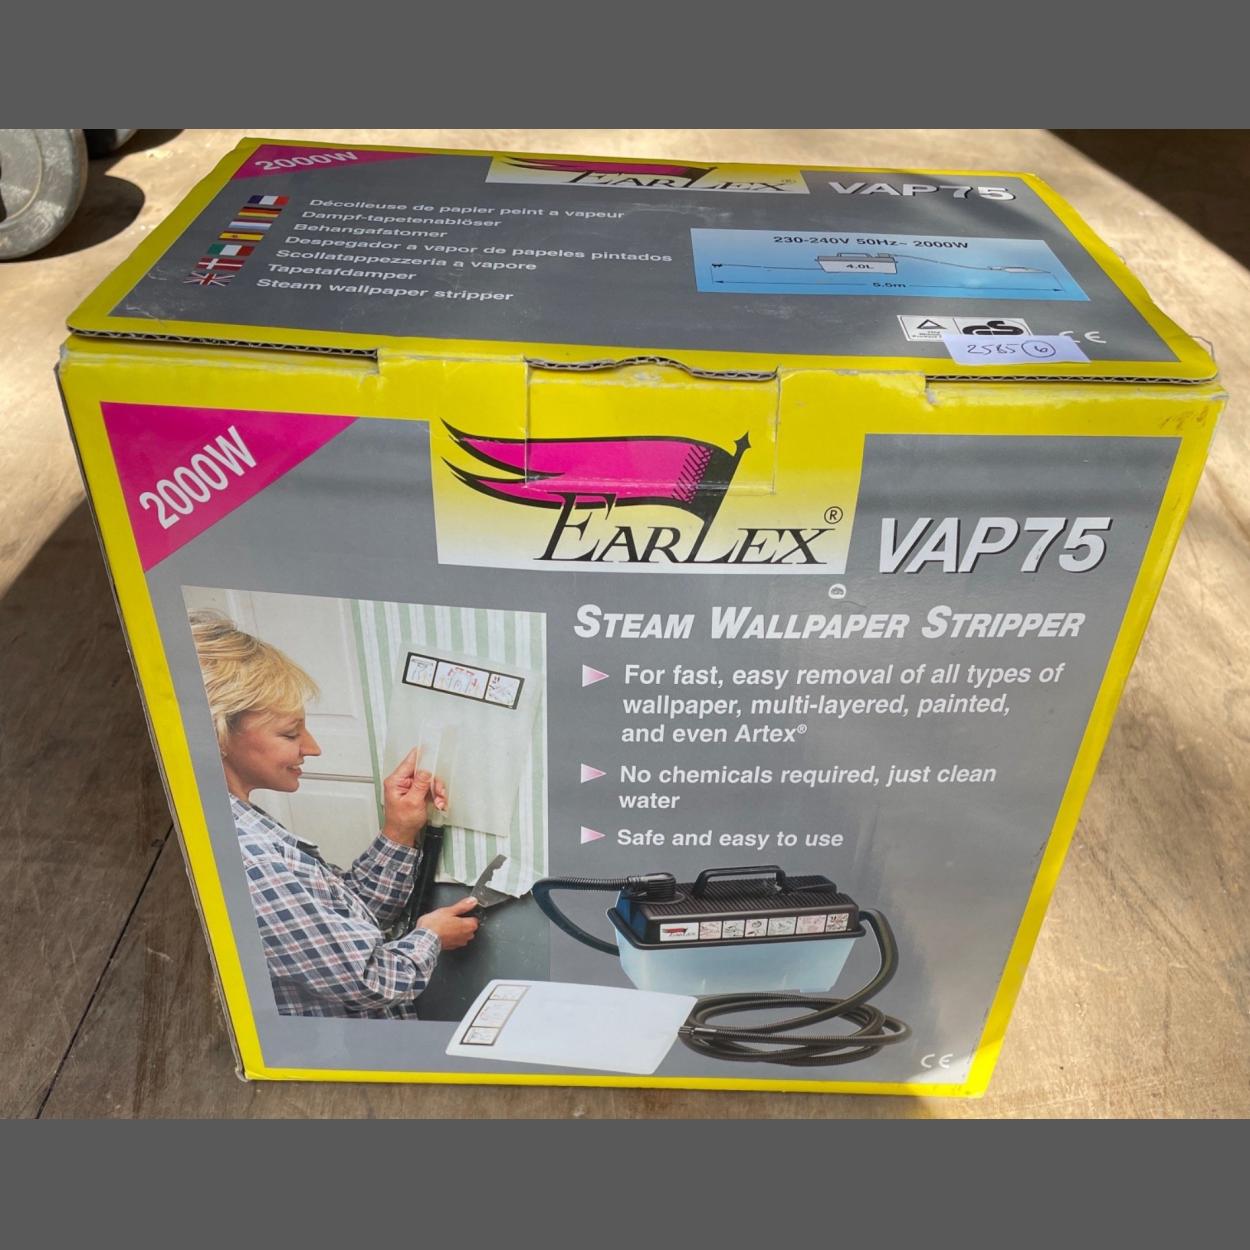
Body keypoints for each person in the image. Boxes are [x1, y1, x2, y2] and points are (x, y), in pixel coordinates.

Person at [189, 610, 478, 1018]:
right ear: (214, 733)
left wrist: (399, 829)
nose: (313, 748)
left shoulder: (248, 825)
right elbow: (366, 979)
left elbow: (346, 922)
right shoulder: (247, 856)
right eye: (290, 733)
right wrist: (431, 937)